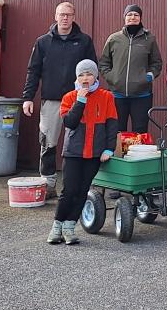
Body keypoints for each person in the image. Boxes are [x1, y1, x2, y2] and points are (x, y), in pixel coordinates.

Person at [22, 1, 97, 199]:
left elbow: (93, 71)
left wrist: (89, 95)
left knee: (82, 143)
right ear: (55, 16)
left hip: (79, 99)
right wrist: (28, 97)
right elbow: (33, 71)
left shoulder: (84, 42)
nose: (65, 18)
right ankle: (48, 185)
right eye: (61, 14)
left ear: (74, 17)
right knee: (48, 142)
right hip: (52, 101)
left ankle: (80, 185)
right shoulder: (42, 42)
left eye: (69, 14)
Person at [47, 60, 118, 245]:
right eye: (81, 75)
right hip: (73, 153)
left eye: (88, 74)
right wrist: (80, 100)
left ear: (95, 76)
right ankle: (57, 227)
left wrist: (109, 148)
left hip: (95, 154)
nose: (85, 78)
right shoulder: (69, 97)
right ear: (76, 77)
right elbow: (70, 122)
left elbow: (112, 125)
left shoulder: (107, 96)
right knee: (68, 191)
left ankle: (70, 228)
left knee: (82, 191)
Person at [98, 4, 163, 135]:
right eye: (129, 14)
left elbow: (156, 63)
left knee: (140, 132)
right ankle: (117, 156)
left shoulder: (149, 39)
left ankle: (138, 155)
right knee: (116, 132)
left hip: (142, 95)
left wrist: (148, 76)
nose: (132, 17)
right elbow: (104, 63)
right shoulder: (114, 39)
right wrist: (113, 77)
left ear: (140, 18)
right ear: (124, 17)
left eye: (136, 15)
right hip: (117, 95)